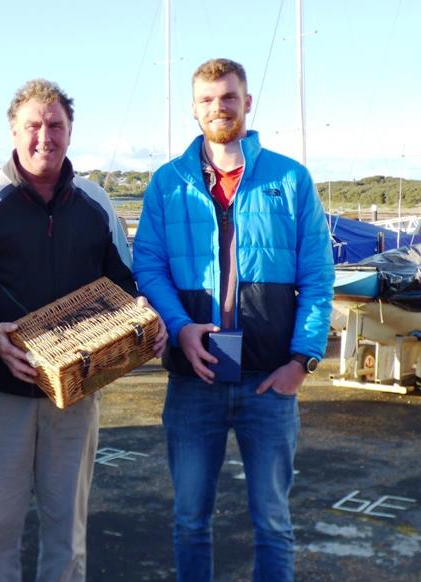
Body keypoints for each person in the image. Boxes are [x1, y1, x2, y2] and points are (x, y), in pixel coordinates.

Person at [0, 78, 167, 582]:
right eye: (33, 126)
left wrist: (147, 322)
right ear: (14, 132)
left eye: (56, 125)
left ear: (70, 131)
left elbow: (124, 285)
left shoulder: (95, 202)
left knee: (67, 537)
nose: (45, 136)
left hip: (76, 396)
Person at [133, 58, 334, 581]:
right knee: (189, 520)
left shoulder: (290, 178)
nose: (218, 107)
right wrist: (179, 327)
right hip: (192, 378)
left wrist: (303, 360)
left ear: (247, 102)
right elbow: (148, 266)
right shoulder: (167, 183)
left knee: (272, 520)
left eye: (228, 97)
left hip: (268, 381)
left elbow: (317, 277)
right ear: (194, 109)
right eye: (207, 99)